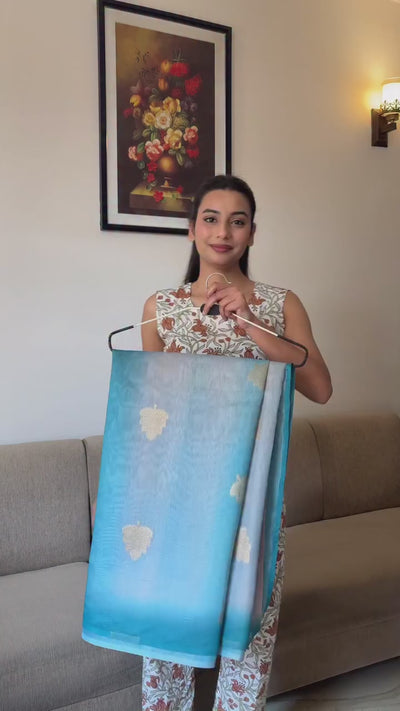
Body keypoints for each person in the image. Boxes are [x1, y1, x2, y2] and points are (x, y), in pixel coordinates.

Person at [141, 174, 332, 710]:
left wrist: (250, 324)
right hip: (177, 491)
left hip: (255, 491)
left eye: (237, 221)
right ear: (191, 229)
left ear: (252, 233)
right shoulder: (161, 308)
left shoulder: (280, 303)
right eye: (211, 219)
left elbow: (320, 387)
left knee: (250, 624)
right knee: (169, 621)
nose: (223, 232)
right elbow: (150, 414)